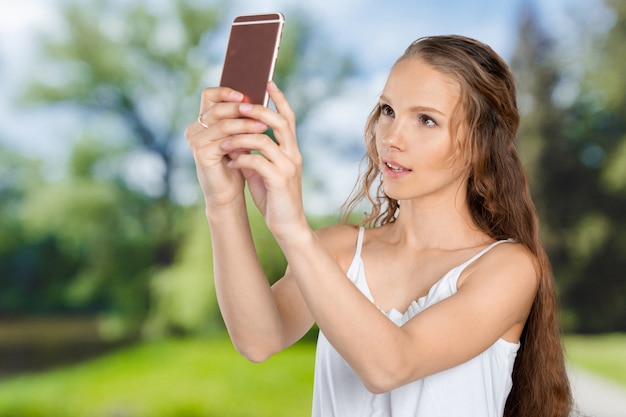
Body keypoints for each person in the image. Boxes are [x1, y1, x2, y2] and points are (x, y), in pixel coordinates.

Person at [185, 35, 574, 417]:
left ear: (479, 144)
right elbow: (258, 339)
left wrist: (293, 229)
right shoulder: (338, 249)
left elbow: (390, 365)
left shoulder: (507, 268)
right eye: (388, 110)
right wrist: (224, 201)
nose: (392, 137)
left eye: (426, 120)